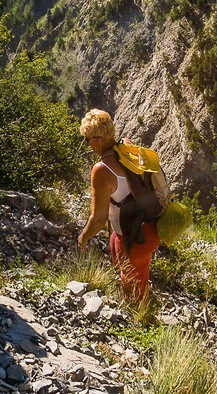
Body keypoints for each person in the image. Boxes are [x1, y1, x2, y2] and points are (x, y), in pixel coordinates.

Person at [76, 108, 161, 301]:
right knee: (120, 257)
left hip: (136, 235)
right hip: (145, 226)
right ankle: (137, 293)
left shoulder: (101, 170)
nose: (89, 145)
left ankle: (142, 320)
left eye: (88, 140)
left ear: (96, 141)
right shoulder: (127, 147)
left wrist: (84, 236)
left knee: (133, 290)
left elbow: (98, 218)